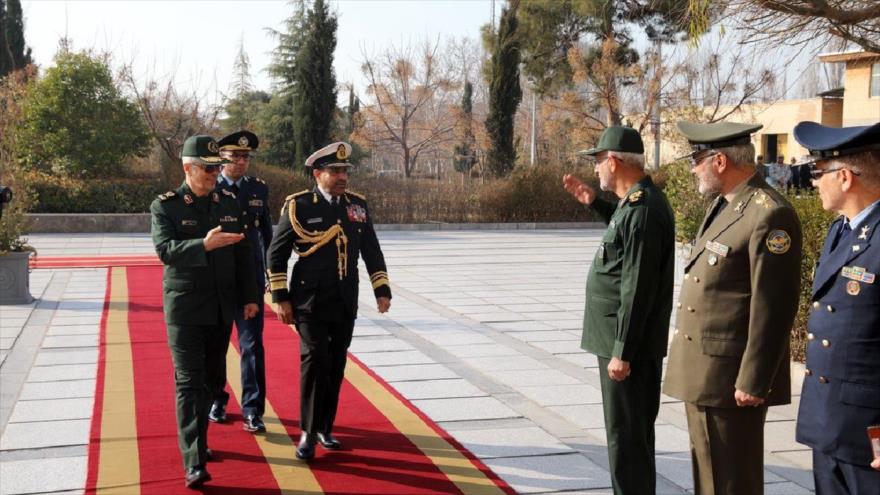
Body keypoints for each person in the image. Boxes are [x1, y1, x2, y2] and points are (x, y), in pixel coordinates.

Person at [663, 121, 802, 495]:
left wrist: (753, 379)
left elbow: (773, 304)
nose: (693, 168)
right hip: (704, 372)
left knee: (731, 481)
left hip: (730, 380)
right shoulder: (726, 205)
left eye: (697, 159)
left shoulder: (769, 214)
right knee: (709, 476)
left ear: (720, 161)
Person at [563, 126, 675, 494]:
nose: (596, 169)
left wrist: (622, 351)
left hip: (627, 347)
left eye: (598, 162)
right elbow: (623, 230)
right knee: (626, 438)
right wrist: (594, 201)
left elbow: (638, 285)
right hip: (620, 342)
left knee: (627, 441)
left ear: (613, 160)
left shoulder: (643, 208)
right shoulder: (634, 204)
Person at [265, 141, 392, 461]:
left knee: (335, 363)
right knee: (314, 360)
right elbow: (276, 254)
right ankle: (308, 432)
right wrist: (280, 297)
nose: (342, 177)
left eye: (345, 171)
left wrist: (382, 288)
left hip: (344, 300)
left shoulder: (357, 205)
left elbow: (371, 249)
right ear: (317, 173)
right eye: (335, 171)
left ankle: (325, 427)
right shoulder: (299, 205)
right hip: (309, 301)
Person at [150, 135, 260, 488]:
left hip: (220, 308)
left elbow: (243, 255)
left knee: (212, 381)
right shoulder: (166, 205)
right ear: (188, 168)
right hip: (185, 308)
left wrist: (250, 296)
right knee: (188, 381)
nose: (215, 173)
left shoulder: (228, 201)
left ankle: (200, 440)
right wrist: (204, 244)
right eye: (208, 167)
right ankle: (193, 461)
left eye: (217, 167)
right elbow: (165, 250)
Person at [793, 121, 880, 494]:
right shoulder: (842, 229)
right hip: (830, 418)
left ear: (844, 177)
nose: (813, 181)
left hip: (869, 428)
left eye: (818, 171)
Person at [209, 130, 273, 433]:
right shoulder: (208, 188)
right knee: (216, 344)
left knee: (252, 345)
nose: (242, 161)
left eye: (246, 157)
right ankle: (217, 399)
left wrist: (272, 273)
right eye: (236, 156)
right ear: (222, 157)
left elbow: (266, 235)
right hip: (218, 279)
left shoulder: (258, 189)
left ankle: (252, 408)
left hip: (251, 279)